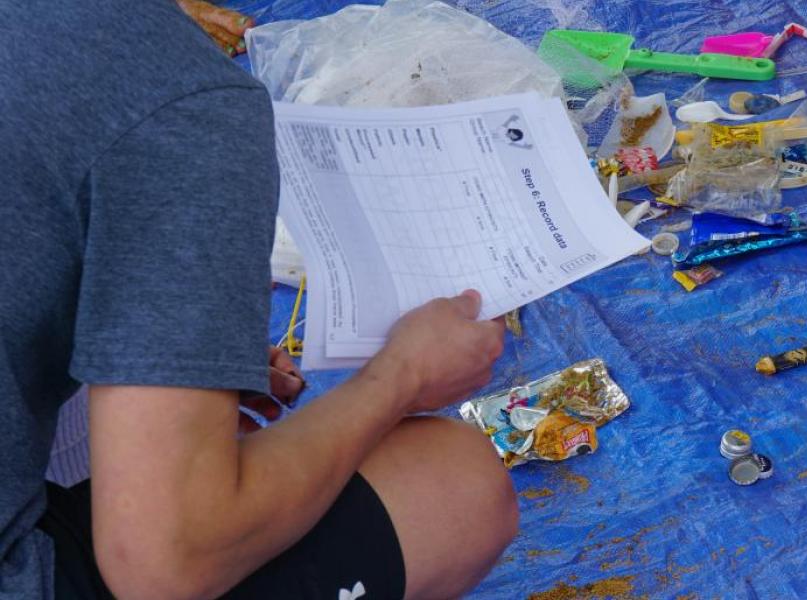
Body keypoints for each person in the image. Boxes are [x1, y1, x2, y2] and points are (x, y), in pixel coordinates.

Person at [0, 2, 517, 599]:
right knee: (453, 486)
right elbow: (167, 565)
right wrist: (400, 376)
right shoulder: (177, 95)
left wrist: (180, 360)